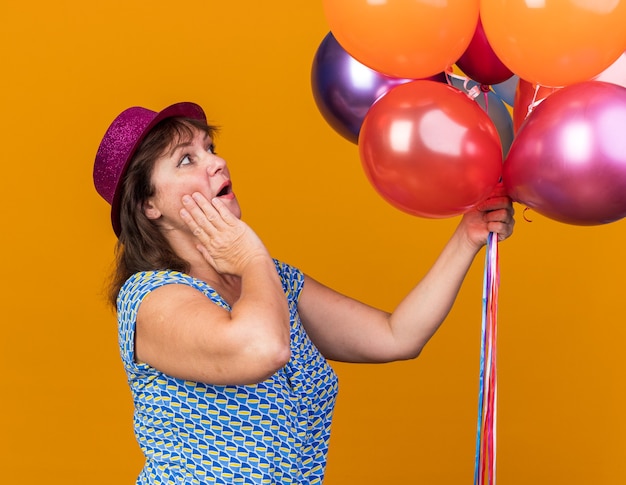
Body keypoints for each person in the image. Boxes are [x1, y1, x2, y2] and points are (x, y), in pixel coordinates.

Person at [93, 101, 515, 485]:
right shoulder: (150, 298)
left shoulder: (271, 281)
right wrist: (249, 255)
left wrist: (468, 236)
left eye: (210, 147)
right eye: (187, 159)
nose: (217, 162)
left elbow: (396, 335)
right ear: (149, 205)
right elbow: (261, 350)